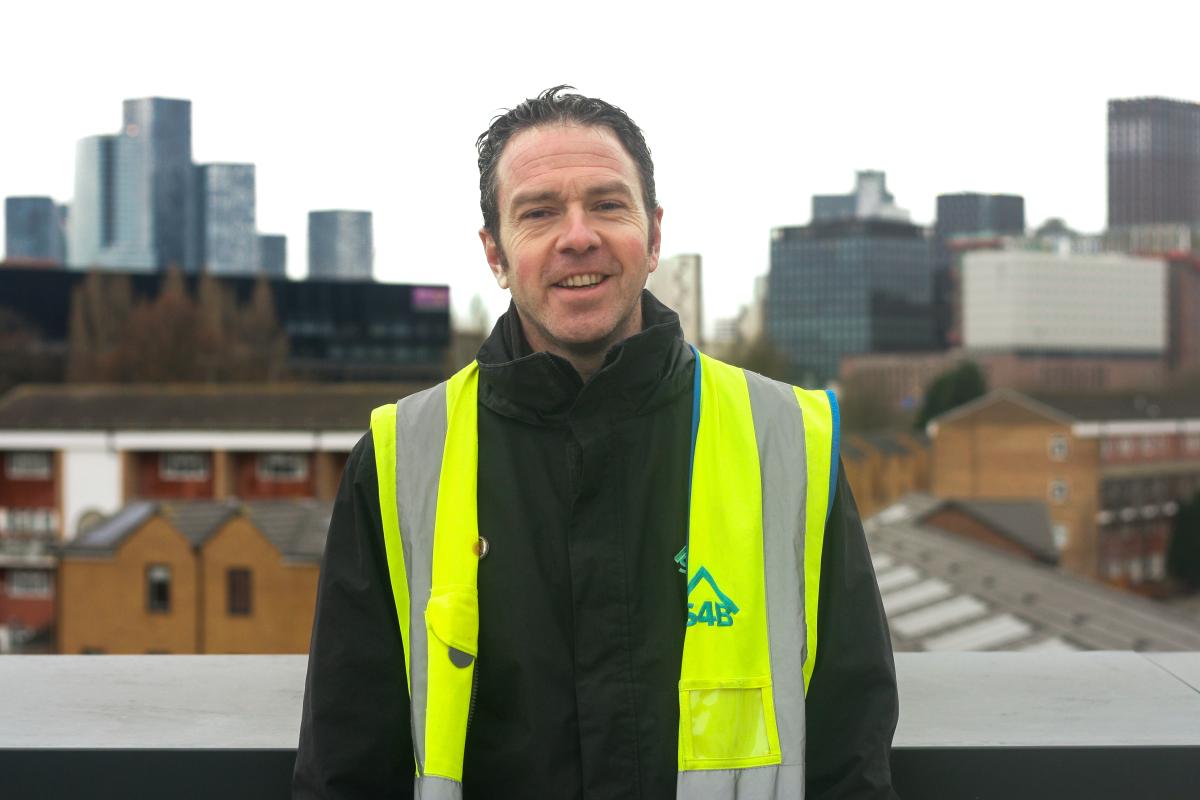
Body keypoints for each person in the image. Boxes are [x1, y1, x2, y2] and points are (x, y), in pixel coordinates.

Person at [294, 86, 899, 799]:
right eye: (539, 212)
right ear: (495, 252)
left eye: (608, 205)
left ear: (655, 235)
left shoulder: (790, 445)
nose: (577, 235)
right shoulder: (400, 462)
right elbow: (347, 766)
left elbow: (850, 758)